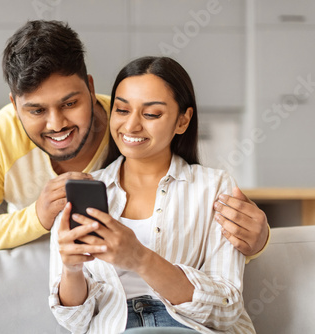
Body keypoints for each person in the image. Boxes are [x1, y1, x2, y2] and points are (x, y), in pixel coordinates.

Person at [0, 20, 269, 255]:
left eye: (70, 103)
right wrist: (36, 218)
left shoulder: (128, 129)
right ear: (15, 105)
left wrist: (256, 242)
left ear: (91, 87)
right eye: (36, 111)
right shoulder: (3, 133)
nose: (57, 124)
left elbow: (188, 224)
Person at [49, 56, 256, 334]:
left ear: (182, 121)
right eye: (122, 110)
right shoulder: (80, 192)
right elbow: (74, 322)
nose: (131, 126)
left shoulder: (213, 187)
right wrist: (71, 269)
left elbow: (226, 309)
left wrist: (140, 259)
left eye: (151, 114)